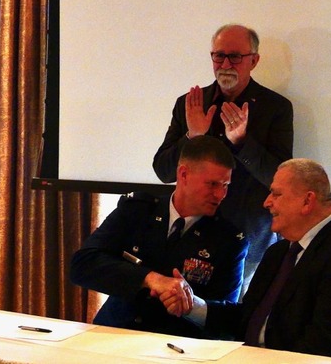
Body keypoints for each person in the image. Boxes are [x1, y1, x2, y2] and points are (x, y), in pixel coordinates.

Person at [161, 158, 331, 360]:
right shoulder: (279, 252)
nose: (266, 202)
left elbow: (326, 346)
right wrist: (192, 306)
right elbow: (247, 317)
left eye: (276, 194)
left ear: (307, 201)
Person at [153, 24, 293, 292]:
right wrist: (192, 136)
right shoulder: (190, 103)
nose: (226, 64)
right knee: (185, 306)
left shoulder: (276, 108)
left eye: (235, 56)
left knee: (238, 312)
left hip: (249, 236)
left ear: (254, 60)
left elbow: (278, 178)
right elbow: (163, 171)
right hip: (192, 232)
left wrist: (241, 142)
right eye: (219, 56)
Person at [70, 135, 248, 337]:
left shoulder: (229, 240)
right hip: (116, 331)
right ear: (183, 174)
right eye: (212, 184)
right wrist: (149, 279)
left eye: (225, 185)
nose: (220, 195)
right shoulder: (138, 210)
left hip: (176, 343)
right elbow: (81, 266)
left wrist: (189, 303)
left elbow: (224, 320)